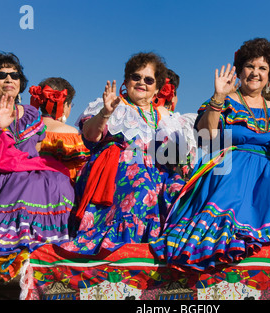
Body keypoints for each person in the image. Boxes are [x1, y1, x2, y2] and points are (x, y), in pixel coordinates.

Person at [150, 38, 270, 271]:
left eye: (262, 68)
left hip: (268, 173)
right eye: (250, 66)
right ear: (240, 70)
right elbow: (206, 136)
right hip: (229, 168)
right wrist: (217, 97)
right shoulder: (224, 101)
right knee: (228, 205)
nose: (255, 73)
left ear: (269, 75)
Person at [0, 52, 75, 294]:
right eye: (1, 74)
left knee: (56, 179)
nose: (9, 79)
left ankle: (38, 251)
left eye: (14, 75)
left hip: (26, 176)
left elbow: (35, 153)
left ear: (21, 83)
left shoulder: (31, 115)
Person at [60, 52, 197, 254]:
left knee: (182, 190)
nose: (141, 82)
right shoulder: (114, 105)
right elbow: (89, 136)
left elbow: (180, 157)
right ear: (127, 80)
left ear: (157, 88)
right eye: (136, 77)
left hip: (157, 171)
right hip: (117, 169)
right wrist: (105, 113)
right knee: (141, 186)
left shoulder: (166, 117)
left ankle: (166, 247)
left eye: (148, 80)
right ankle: (123, 247)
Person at [29, 77, 90, 183]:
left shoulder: (25, 129)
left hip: (25, 192)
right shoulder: (73, 135)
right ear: (65, 105)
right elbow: (80, 174)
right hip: (61, 194)